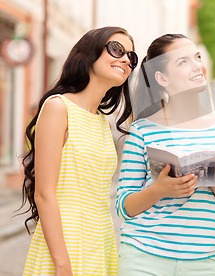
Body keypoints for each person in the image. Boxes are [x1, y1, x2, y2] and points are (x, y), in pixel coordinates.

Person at [115, 34, 215, 276]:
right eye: (183, 61)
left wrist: (212, 176)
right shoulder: (143, 129)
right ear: (161, 77)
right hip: (143, 258)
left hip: (203, 262)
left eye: (197, 57)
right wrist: (161, 189)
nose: (197, 65)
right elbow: (124, 206)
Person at [20, 26, 138, 275]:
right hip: (64, 247)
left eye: (131, 56)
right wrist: (62, 265)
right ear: (89, 53)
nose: (126, 59)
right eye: (117, 49)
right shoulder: (58, 108)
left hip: (101, 242)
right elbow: (44, 194)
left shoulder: (101, 123)